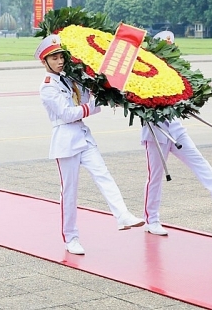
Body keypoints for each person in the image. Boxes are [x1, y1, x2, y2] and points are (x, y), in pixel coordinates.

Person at [35, 34, 143, 255]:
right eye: (53, 58)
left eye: (60, 56)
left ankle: (122, 214)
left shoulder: (69, 78)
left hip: (83, 136)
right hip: (65, 140)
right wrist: (93, 106)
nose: (59, 61)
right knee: (69, 192)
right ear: (44, 62)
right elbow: (67, 114)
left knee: (104, 174)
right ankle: (71, 238)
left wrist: (103, 89)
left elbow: (87, 97)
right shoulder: (47, 87)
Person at [141, 121, 212, 236]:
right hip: (156, 132)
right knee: (155, 177)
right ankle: (151, 220)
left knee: (197, 160)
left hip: (176, 129)